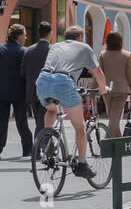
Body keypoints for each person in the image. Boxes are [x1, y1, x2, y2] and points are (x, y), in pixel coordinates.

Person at [35, 25, 110, 179]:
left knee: (51, 110)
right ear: (80, 37)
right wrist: (103, 88)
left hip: (42, 80)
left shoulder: (55, 46)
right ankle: (82, 164)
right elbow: (98, 72)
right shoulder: (84, 47)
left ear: (66, 36)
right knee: (80, 127)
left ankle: (47, 139)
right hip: (63, 81)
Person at [0, 23, 34, 160]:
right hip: (18, 91)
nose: (25, 38)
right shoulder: (24, 51)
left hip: (0, 90)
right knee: (22, 121)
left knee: (1, 121)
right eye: (24, 35)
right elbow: (26, 73)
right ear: (19, 36)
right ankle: (27, 149)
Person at [98, 31, 131, 137]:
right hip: (122, 90)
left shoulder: (102, 55)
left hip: (106, 90)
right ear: (120, 41)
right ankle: (112, 141)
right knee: (114, 117)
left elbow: (98, 74)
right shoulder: (127, 55)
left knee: (113, 117)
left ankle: (111, 140)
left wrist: (93, 91)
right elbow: (130, 76)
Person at [20, 20, 53, 138]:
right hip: (49, 91)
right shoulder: (53, 50)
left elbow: (23, 73)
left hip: (32, 91)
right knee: (44, 121)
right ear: (50, 33)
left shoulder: (28, 50)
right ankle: (40, 146)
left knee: (39, 120)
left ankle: (41, 147)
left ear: (38, 33)